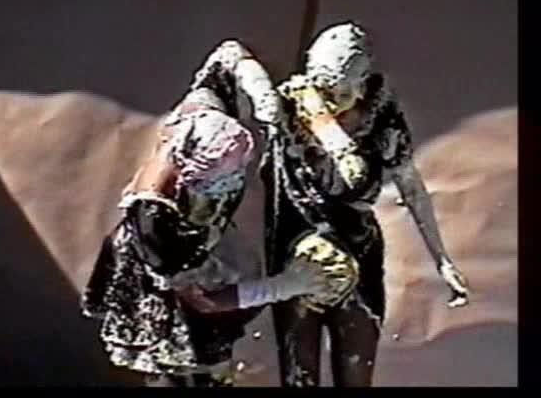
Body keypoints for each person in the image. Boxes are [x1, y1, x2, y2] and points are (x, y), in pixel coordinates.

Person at [80, 40, 330, 387]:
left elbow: (228, 56)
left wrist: (263, 97)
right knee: (190, 364)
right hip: (172, 289)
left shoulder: (194, 121)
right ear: (193, 180)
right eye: (224, 184)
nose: (236, 184)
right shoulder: (157, 229)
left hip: (204, 245)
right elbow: (204, 302)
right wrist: (283, 287)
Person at [260, 21, 470, 387]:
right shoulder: (289, 105)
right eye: (323, 89)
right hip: (297, 253)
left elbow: (411, 186)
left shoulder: (382, 119)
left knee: (356, 368)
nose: (330, 100)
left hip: (358, 249)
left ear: (361, 86)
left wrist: (442, 259)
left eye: (340, 91)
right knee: (299, 373)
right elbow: (232, 64)